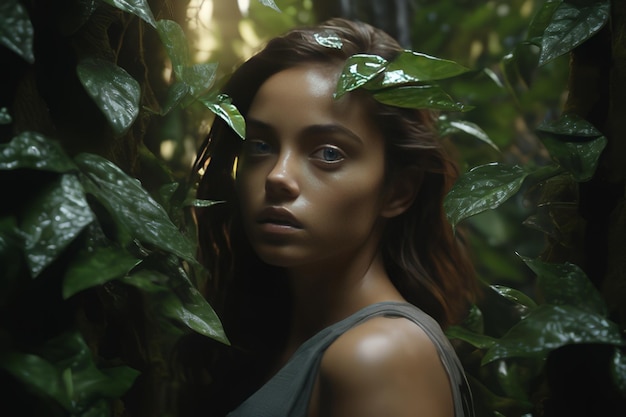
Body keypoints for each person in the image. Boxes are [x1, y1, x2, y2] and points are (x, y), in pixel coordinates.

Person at [185, 17, 478, 417]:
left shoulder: (380, 357)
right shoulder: (263, 336)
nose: (277, 177)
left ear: (398, 191)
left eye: (328, 153)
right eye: (260, 146)